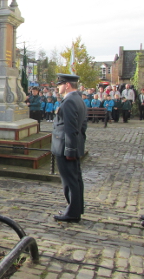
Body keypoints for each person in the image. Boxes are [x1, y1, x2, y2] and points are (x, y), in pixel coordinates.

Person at [51, 74, 87, 223]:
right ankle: (76, 208)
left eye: (60, 84)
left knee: (70, 181)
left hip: (66, 148)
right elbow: (83, 126)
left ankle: (72, 212)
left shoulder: (70, 101)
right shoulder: (77, 99)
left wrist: (70, 150)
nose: (57, 88)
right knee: (75, 179)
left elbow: (71, 129)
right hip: (72, 146)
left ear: (67, 85)